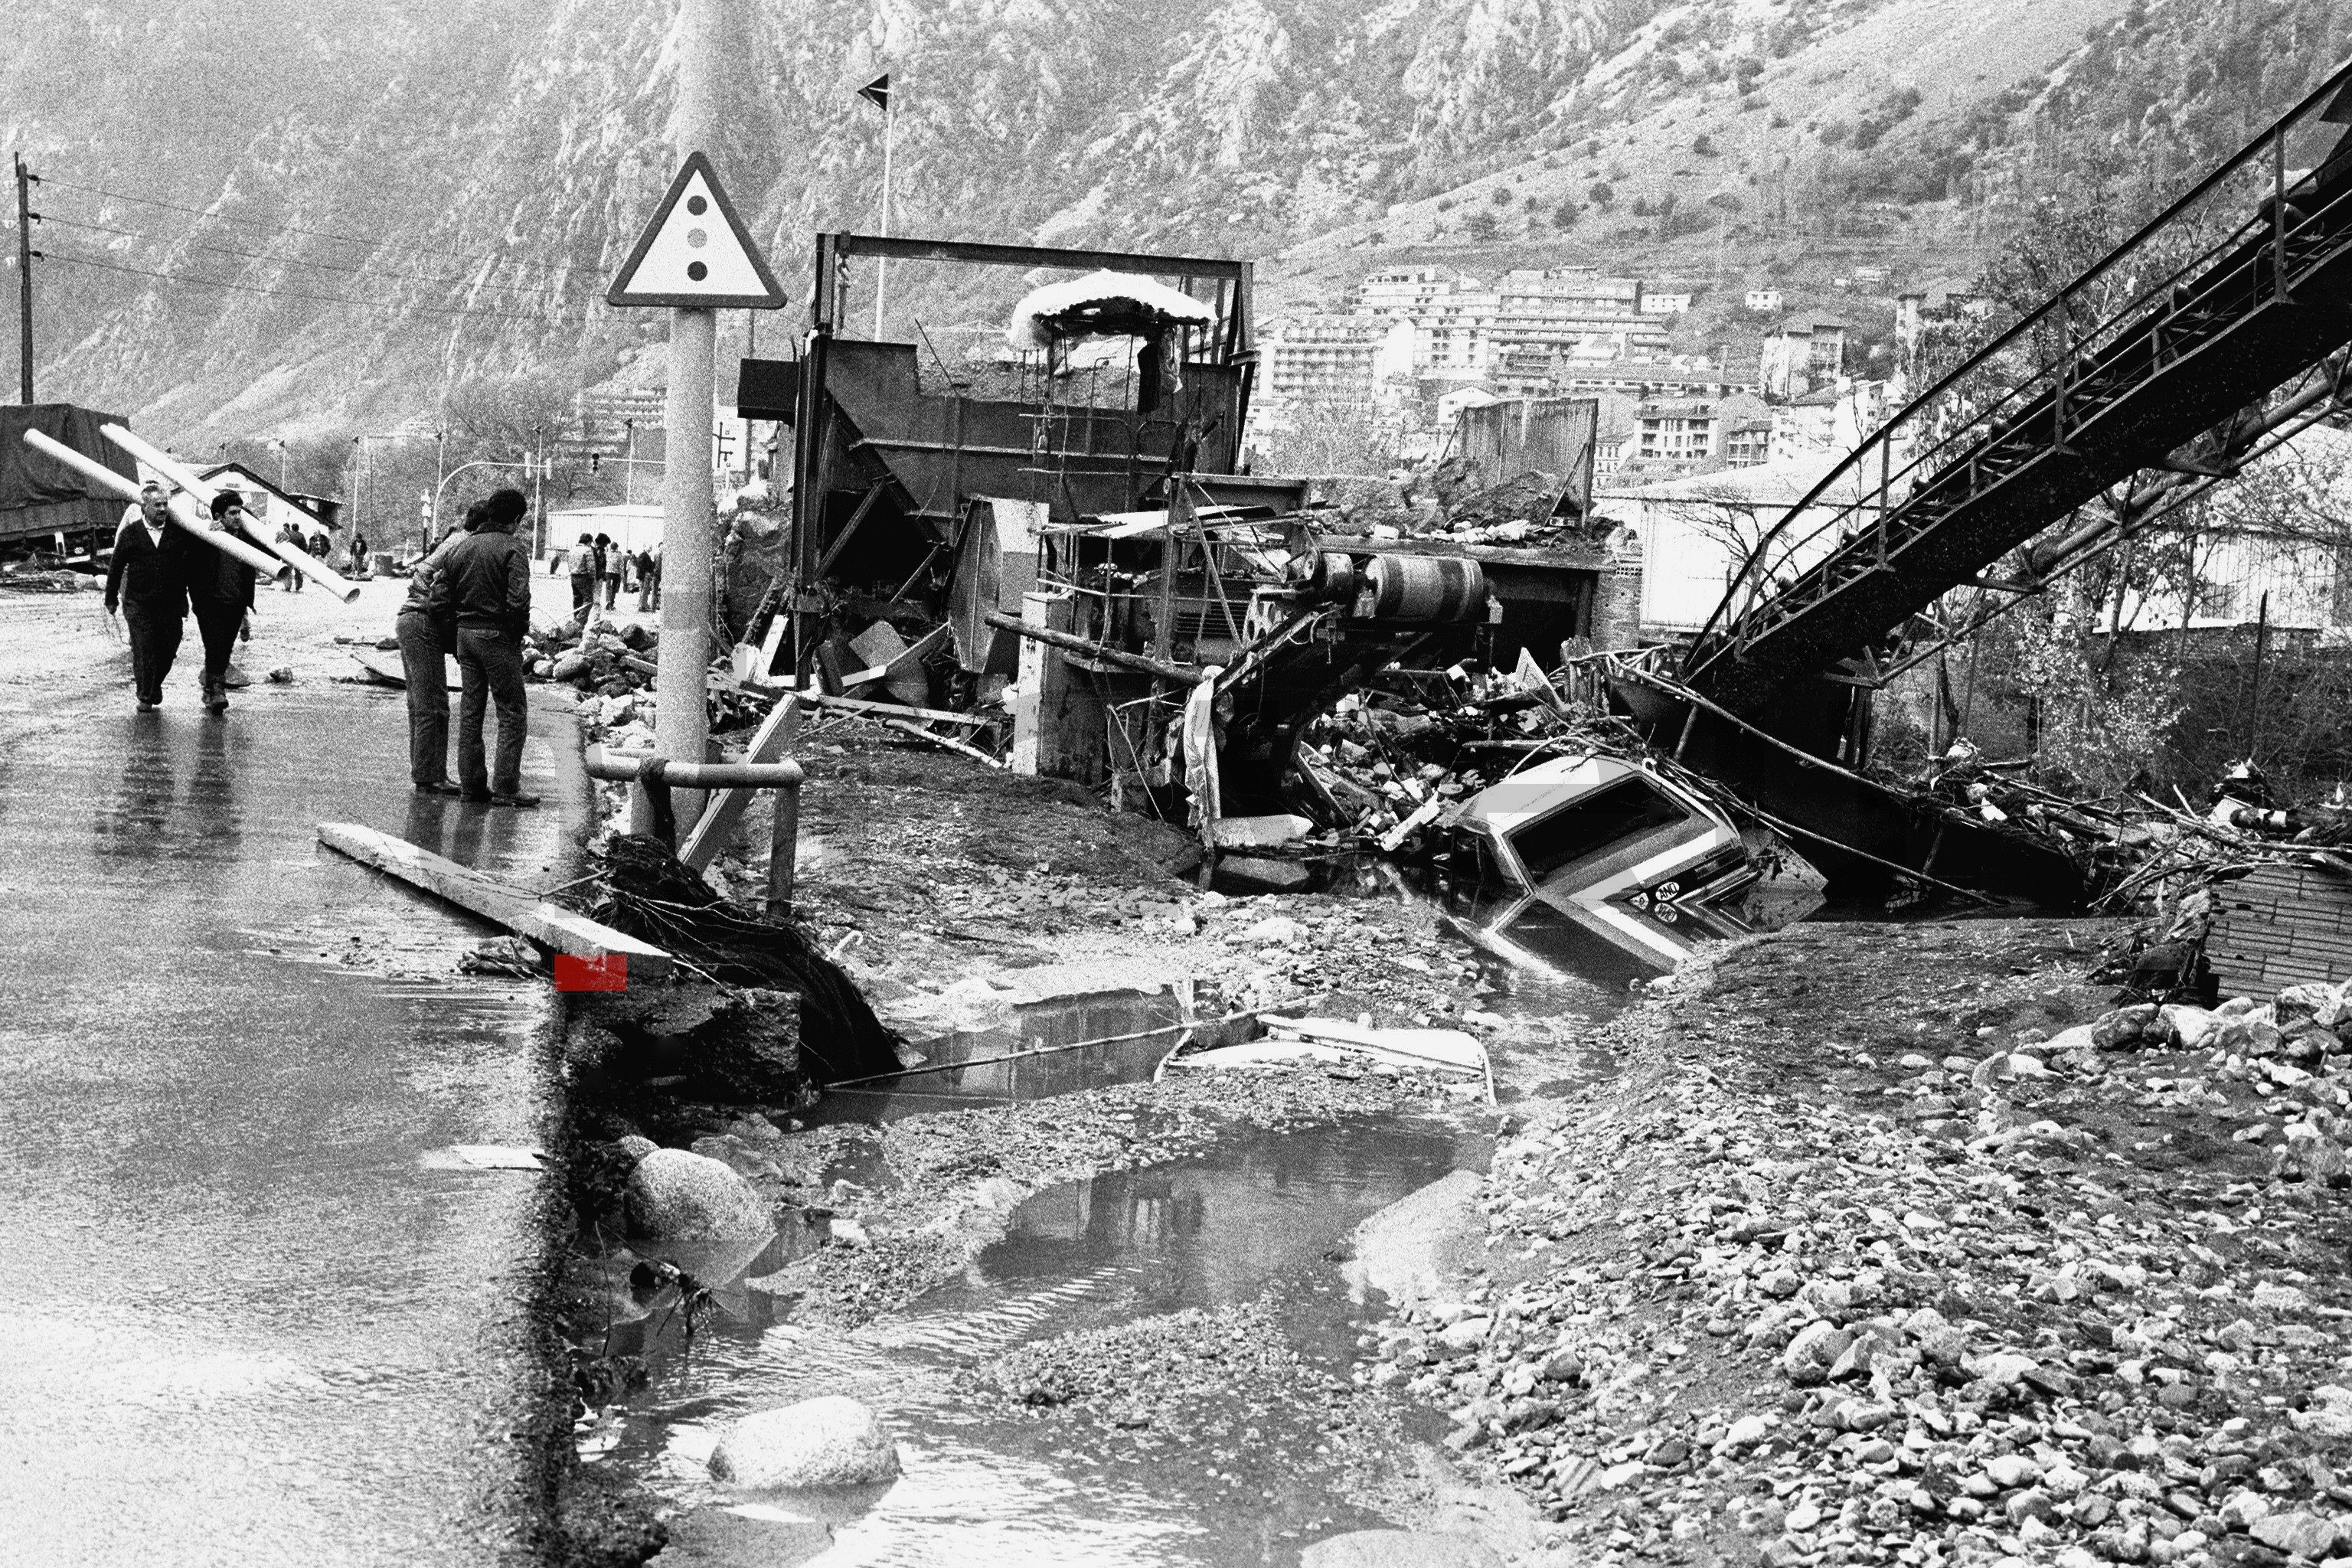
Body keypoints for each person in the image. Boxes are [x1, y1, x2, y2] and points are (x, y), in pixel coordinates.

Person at [439, 488, 538, 807]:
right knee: (512, 712)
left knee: (471, 712)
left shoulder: (460, 548)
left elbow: (440, 598)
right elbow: (518, 601)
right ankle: (506, 787)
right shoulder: (513, 549)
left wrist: (454, 634)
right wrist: (516, 634)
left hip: (465, 635)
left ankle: (471, 785)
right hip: (497, 636)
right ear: (517, 518)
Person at [396, 503, 480, 795]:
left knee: (422, 706)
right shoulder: (463, 545)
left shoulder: (453, 540)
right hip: (422, 621)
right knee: (433, 705)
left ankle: (426, 773)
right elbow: (439, 597)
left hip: (411, 620)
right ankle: (431, 777)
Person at [103, 482, 186, 712]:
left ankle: (154, 683)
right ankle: (145, 695)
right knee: (144, 648)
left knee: (169, 649)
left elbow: (191, 565)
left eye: (165, 504)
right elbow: (116, 566)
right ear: (144, 507)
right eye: (157, 505)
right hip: (138, 603)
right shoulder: (131, 534)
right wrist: (111, 598)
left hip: (170, 604)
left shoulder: (178, 533)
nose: (162, 509)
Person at [186, 492, 261, 714]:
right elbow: (189, 563)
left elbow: (269, 553)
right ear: (219, 516)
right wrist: (206, 534)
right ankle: (218, 691)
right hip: (209, 603)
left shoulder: (246, 538)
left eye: (240, 512)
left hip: (236, 603)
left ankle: (211, 688)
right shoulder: (206, 536)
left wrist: (281, 537)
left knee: (224, 648)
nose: (239, 517)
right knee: (214, 645)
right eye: (233, 513)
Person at [568, 533, 598, 622]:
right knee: (589, 601)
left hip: (573, 576)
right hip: (583, 577)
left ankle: (575, 620)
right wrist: (593, 579)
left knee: (577, 599)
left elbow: (569, 564)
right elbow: (591, 568)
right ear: (588, 542)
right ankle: (579, 621)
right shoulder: (588, 550)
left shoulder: (572, 549)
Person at [276, 514, 307, 592]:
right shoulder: (301, 535)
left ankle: (288, 587)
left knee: (288, 571)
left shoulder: (288, 534)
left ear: (292, 528)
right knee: (298, 571)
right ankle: (298, 586)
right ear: (298, 528)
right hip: (299, 555)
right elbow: (305, 546)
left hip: (289, 555)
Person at [596, 532, 622, 610]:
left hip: (608, 572)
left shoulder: (607, 554)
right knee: (614, 588)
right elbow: (621, 565)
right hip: (616, 573)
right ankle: (611, 602)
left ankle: (608, 601)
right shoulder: (619, 555)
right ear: (617, 548)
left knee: (608, 587)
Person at [634, 546, 657, 612]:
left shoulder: (643, 555)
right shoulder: (645, 555)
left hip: (642, 576)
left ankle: (642, 605)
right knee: (645, 591)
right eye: (649, 547)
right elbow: (644, 566)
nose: (650, 548)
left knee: (642, 591)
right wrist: (648, 572)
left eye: (651, 547)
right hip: (645, 576)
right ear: (645, 548)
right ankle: (643, 606)